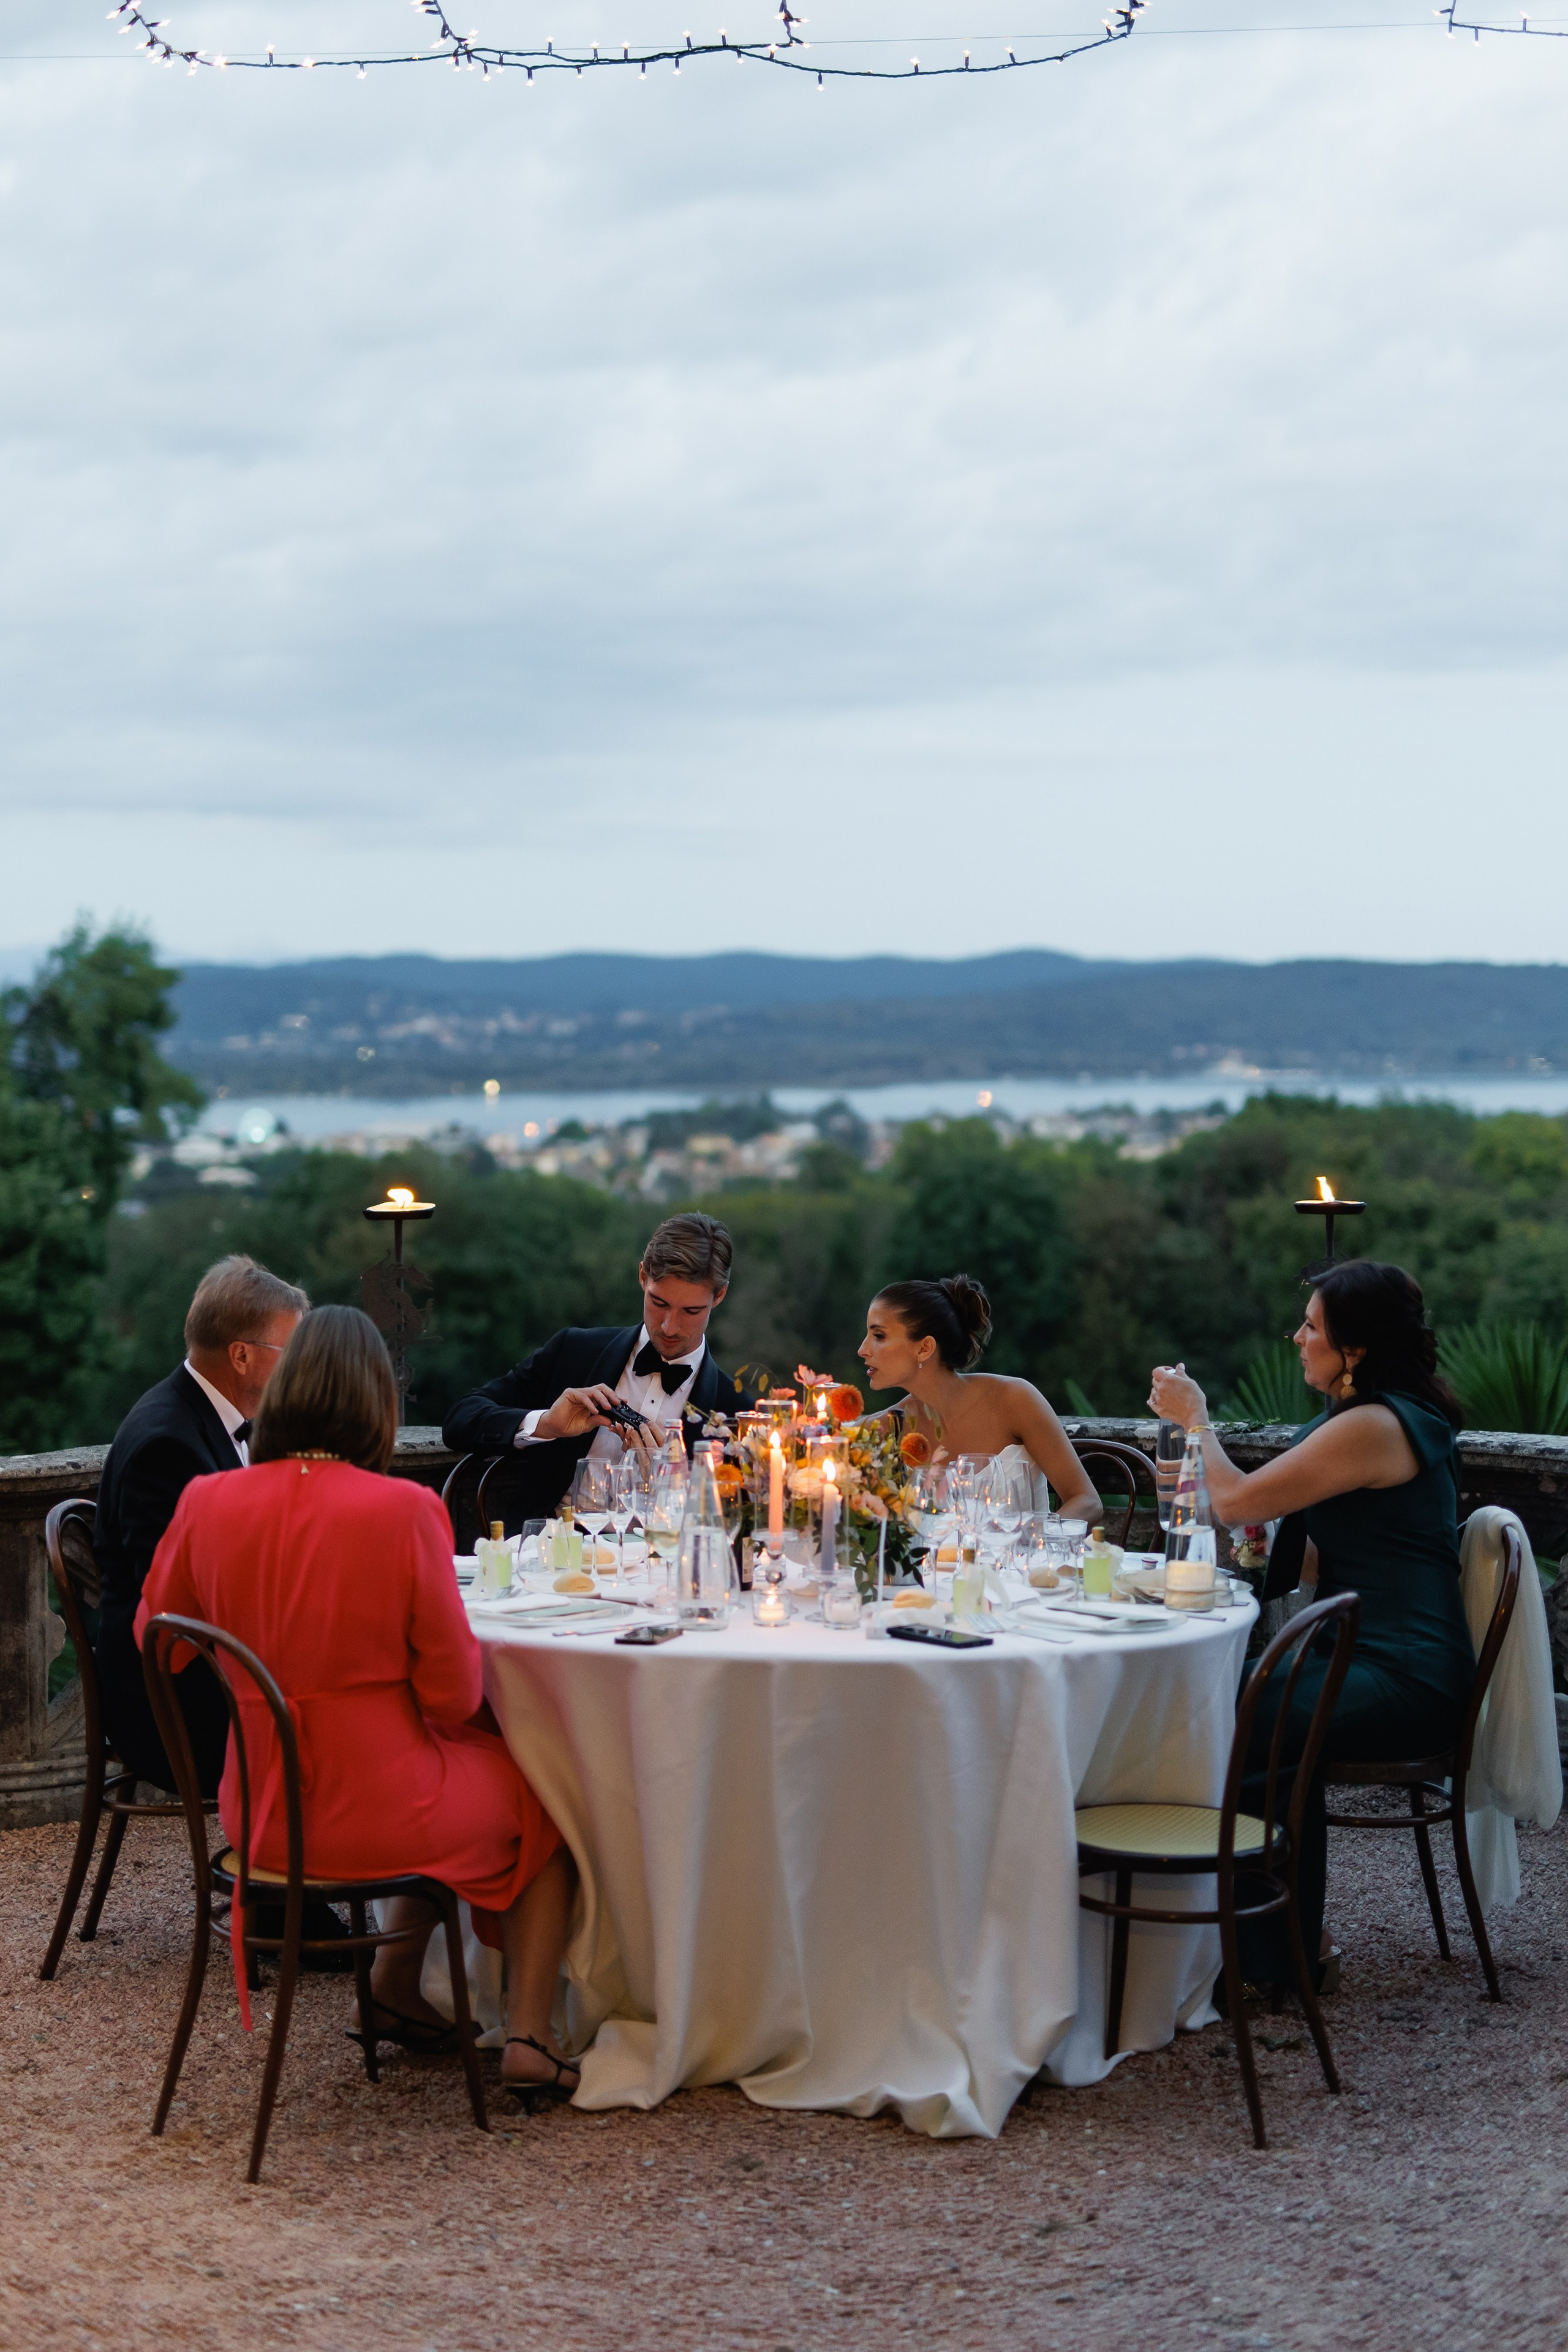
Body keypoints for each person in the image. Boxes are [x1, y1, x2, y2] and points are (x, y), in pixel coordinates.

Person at [137, 1306, 580, 2098]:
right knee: (543, 1805)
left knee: (437, 1773)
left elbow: (160, 1641)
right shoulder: (404, 1510)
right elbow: (451, 1695)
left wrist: (252, 1652)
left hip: (264, 1810)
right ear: (378, 1402)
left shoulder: (208, 1500)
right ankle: (531, 2037)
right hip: (380, 1808)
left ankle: (393, 1990)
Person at [1149, 1259, 1476, 1987]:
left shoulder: (1375, 1424)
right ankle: (1269, 1941)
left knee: (1232, 1713)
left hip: (1405, 1673)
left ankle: (1276, 1955)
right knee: (1227, 1702)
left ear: (1353, 1350)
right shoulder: (1369, 1418)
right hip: (1364, 1654)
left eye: (1311, 1326)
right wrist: (1267, 1537)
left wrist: (1194, 1419)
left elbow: (1232, 1502)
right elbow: (1333, 1552)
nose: (1297, 1338)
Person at [94, 1254, 308, 1797]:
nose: (302, 1365)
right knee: (353, 1718)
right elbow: (176, 1614)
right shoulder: (168, 1445)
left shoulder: (211, 1419)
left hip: (209, 1670)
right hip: (175, 1705)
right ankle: (326, 1864)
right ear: (241, 1356)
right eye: (293, 1350)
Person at [442, 1212, 752, 1516]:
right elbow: (461, 1419)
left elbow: (737, 1528)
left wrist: (677, 1488)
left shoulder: (735, 1411)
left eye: (691, 1311)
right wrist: (546, 1424)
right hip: (553, 1555)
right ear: (643, 1277)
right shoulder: (575, 1351)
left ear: (719, 1296)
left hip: (664, 1562)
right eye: (659, 1304)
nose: (670, 1326)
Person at [858, 1275, 1101, 1526]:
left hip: (1025, 1562)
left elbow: (1086, 1502)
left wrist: (1032, 1541)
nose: (862, 1349)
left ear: (924, 1348)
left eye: (879, 1336)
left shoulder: (1015, 1400)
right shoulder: (883, 1430)